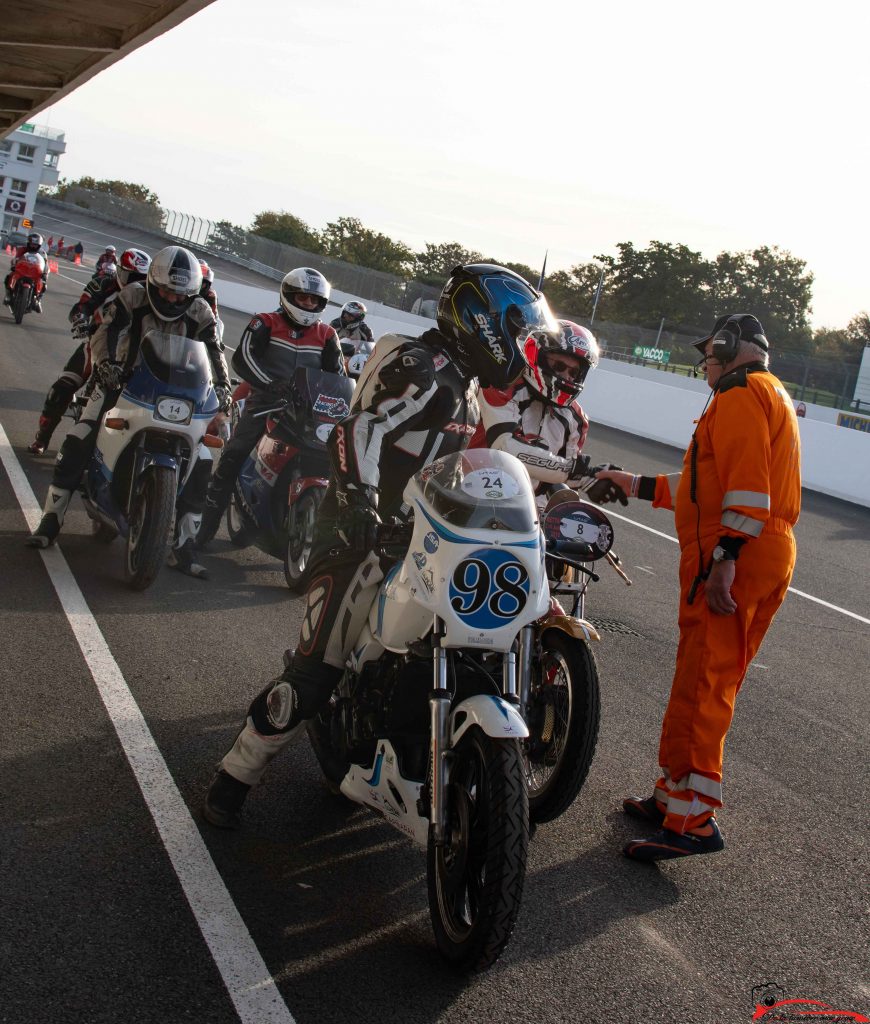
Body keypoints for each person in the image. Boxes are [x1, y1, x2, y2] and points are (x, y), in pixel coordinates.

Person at [201, 262, 556, 828]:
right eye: (517, 333)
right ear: (483, 323)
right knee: (315, 675)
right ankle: (235, 775)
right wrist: (363, 507)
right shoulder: (426, 368)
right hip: (358, 538)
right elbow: (359, 429)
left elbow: (482, 461)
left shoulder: (461, 382)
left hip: (416, 541)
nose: (521, 347)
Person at [595, 313, 801, 862]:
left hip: (739, 554)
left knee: (708, 682)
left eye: (709, 350)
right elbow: (705, 487)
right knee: (697, 675)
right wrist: (634, 483)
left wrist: (727, 557)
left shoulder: (739, 393)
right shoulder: (762, 393)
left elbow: (748, 491)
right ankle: (673, 799)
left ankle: (693, 822)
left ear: (731, 346)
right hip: (748, 549)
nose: (703, 359)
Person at [26, 245, 232, 578]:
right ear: (153, 282)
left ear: (192, 292)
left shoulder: (201, 312)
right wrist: (107, 365)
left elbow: (213, 349)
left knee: (205, 458)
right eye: (166, 290)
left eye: (181, 294)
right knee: (82, 434)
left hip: (178, 392)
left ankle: (183, 546)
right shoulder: (133, 297)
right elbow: (105, 332)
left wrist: (222, 385)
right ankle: (51, 520)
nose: (172, 299)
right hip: (123, 380)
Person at [197, 267, 345, 546]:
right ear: (288, 295)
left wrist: (344, 406)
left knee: (336, 464)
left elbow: (338, 379)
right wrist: (270, 384)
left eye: (314, 300)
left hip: (309, 412)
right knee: (233, 457)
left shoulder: (327, 335)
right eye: (303, 298)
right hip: (265, 403)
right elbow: (243, 360)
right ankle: (203, 533)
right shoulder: (265, 322)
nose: (308, 305)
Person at [471, 319, 623, 501]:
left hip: (524, 511)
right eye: (559, 367)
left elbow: (561, 474)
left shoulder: (577, 419)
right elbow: (505, 447)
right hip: (470, 493)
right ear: (536, 354)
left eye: (574, 373)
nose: (567, 377)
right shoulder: (500, 387)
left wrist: (594, 479)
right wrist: (581, 473)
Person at [26, 249, 151, 455]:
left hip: (133, 355)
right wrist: (80, 320)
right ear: (120, 272)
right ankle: (42, 438)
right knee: (62, 388)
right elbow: (81, 307)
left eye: (142, 278)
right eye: (132, 277)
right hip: (96, 345)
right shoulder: (104, 283)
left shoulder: (149, 295)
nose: (135, 283)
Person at [3, 231, 49, 312]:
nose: (33, 246)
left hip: (35, 273)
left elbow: (46, 264)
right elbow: (15, 259)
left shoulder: (42, 253)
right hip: (22, 271)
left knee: (44, 285)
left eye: (35, 245)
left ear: (39, 245)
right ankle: (8, 295)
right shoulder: (22, 249)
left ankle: (38, 301)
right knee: (9, 277)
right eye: (32, 244)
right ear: (28, 243)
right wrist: (13, 266)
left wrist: (45, 273)